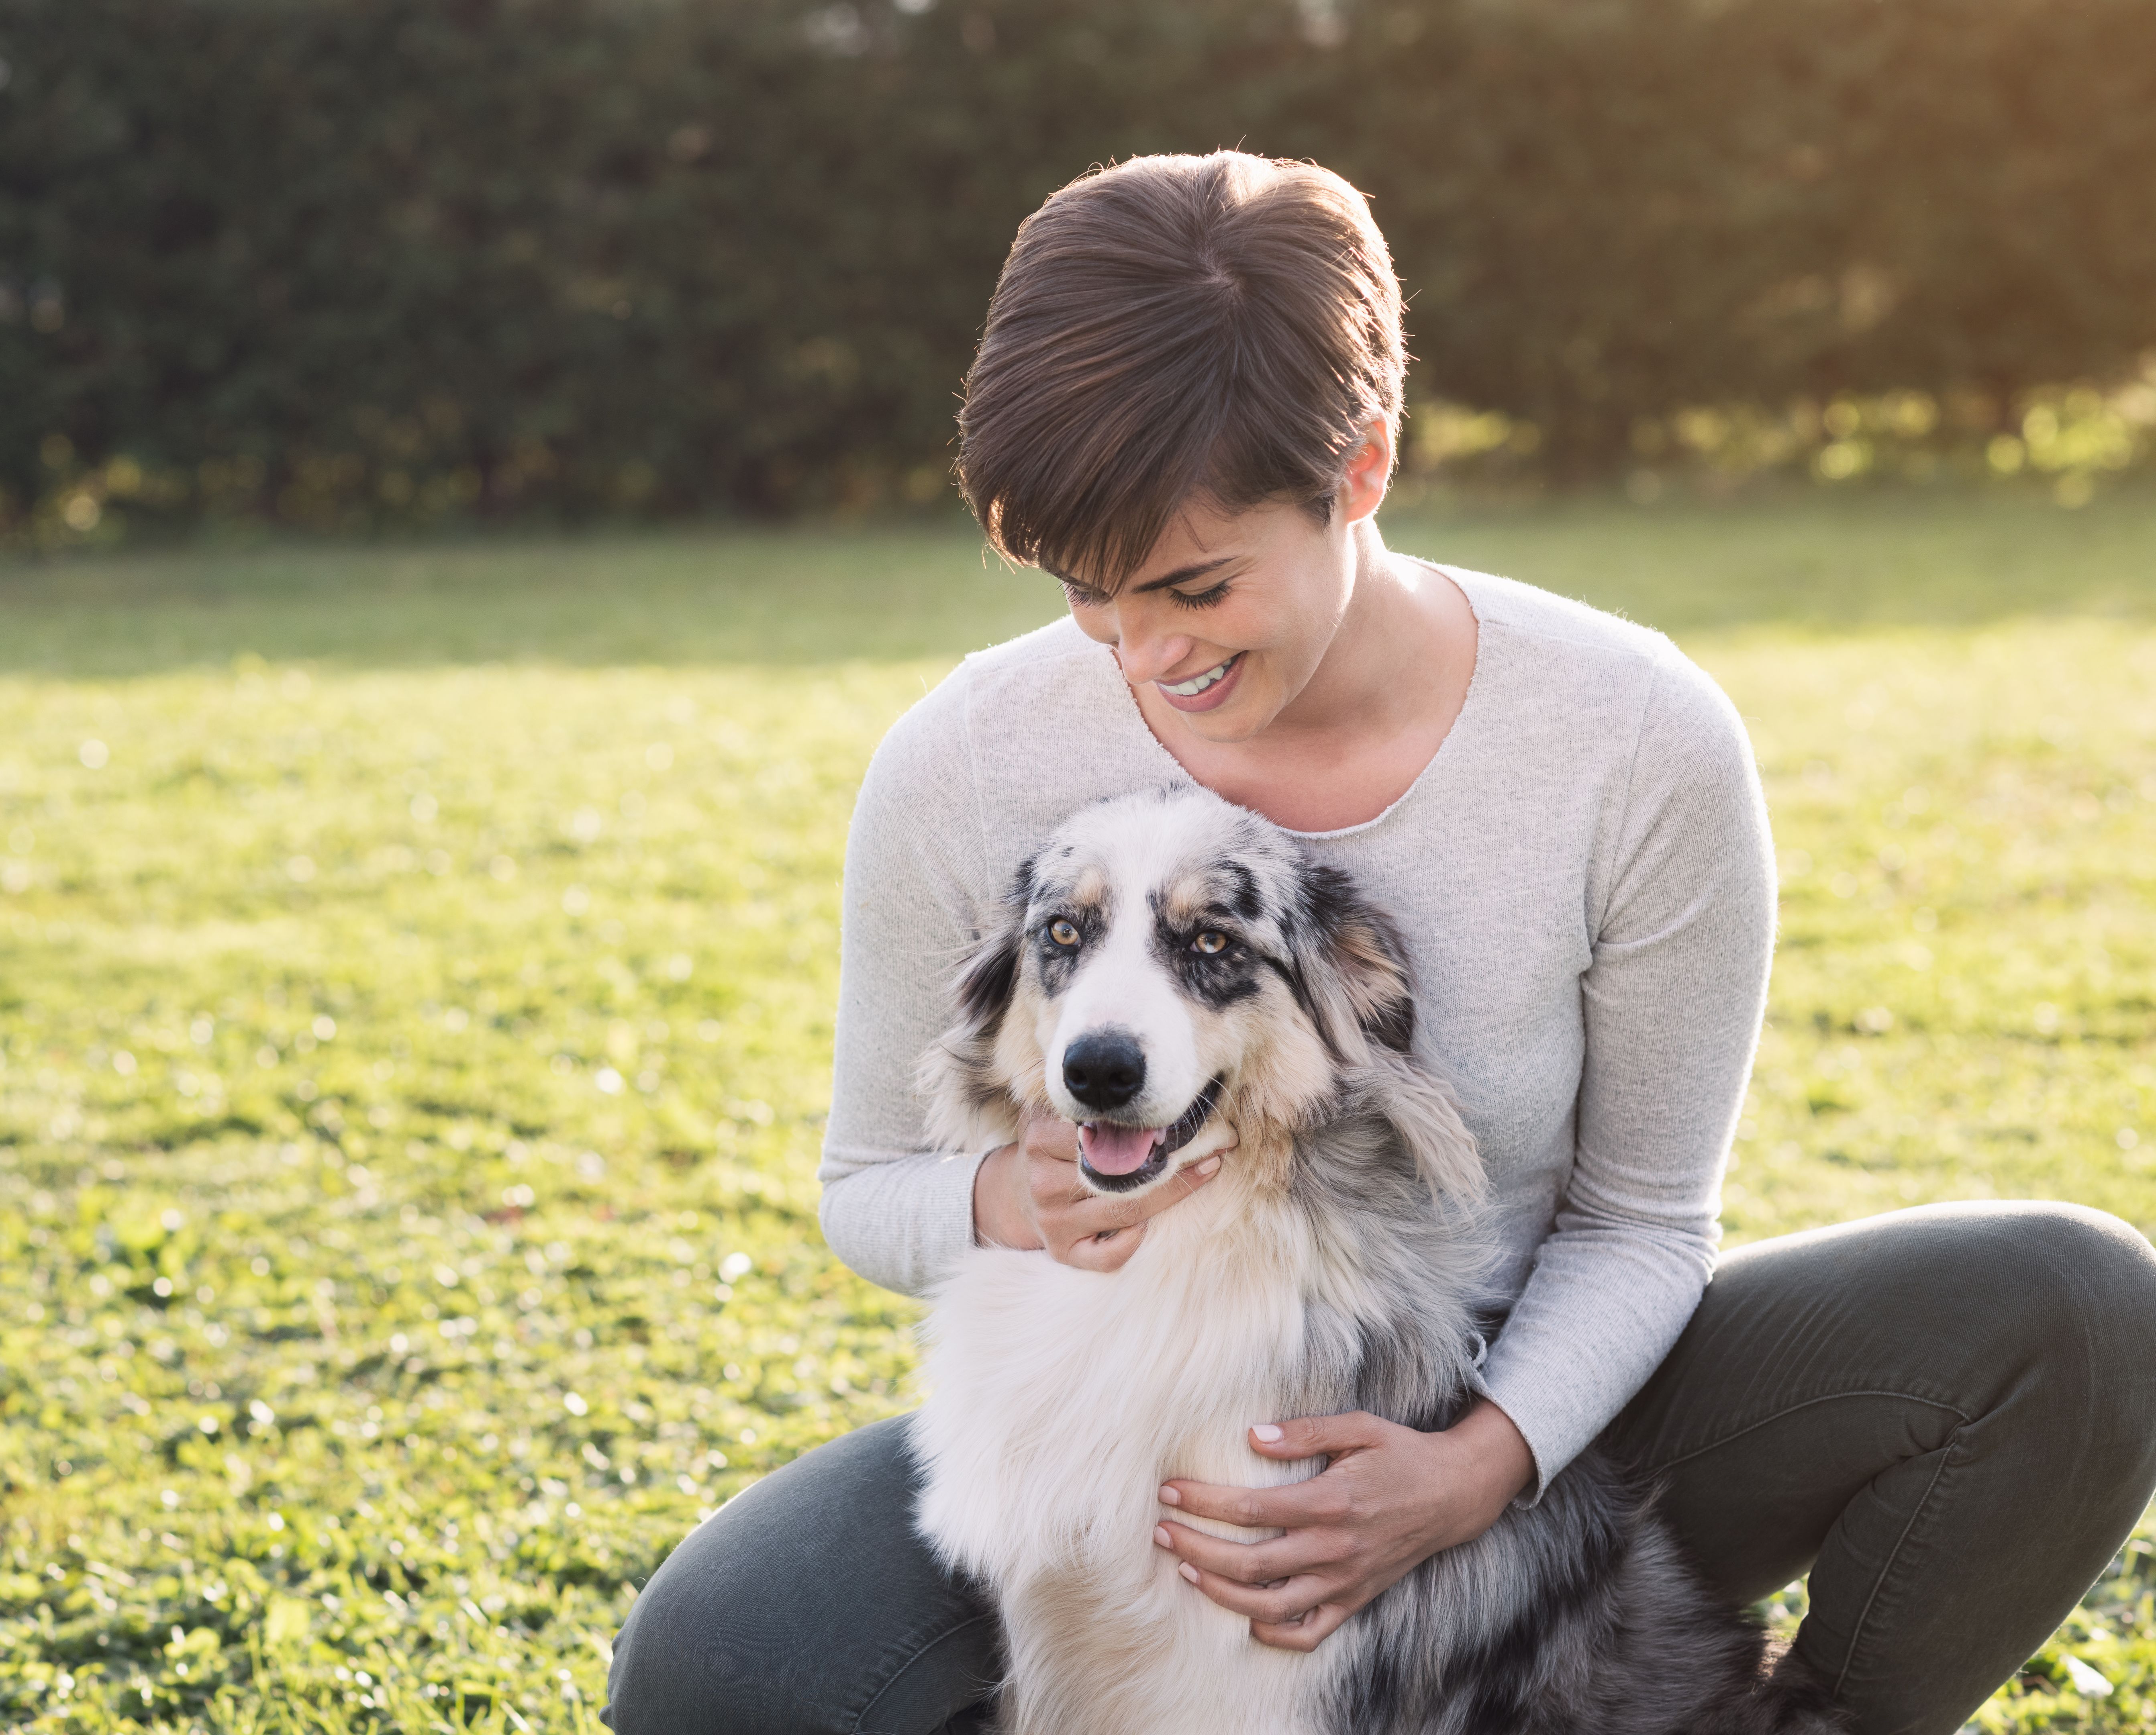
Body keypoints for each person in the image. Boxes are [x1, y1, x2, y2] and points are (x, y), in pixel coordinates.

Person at [604, 152, 2156, 1735]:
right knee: (720, 1659)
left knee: (2072, 1311)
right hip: (1137, 1412)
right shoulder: (961, 765)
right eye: (1088, 592)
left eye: (1194, 586)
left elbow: (1636, 1225)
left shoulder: (1630, 738)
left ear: (1359, 470)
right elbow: (870, 1192)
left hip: (1549, 1398)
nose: (1145, 657)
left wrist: (1471, 1467)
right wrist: (1018, 1195)